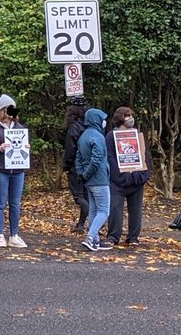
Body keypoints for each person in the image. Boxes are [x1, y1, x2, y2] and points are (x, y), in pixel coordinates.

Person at [0, 94, 27, 249]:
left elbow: (23, 146)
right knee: (0, 204)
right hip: (0, 170)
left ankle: (14, 235)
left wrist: (26, 148)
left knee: (15, 204)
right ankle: (0, 235)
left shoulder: (19, 128)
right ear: (3, 110)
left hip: (18, 170)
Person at [105, 106, 151, 248]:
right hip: (118, 181)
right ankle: (113, 236)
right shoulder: (111, 136)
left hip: (137, 180)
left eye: (131, 115)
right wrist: (120, 177)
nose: (130, 118)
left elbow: (145, 156)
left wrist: (142, 175)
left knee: (136, 210)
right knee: (115, 209)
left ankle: (133, 237)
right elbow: (110, 158)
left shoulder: (137, 135)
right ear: (120, 119)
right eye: (127, 116)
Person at [75, 107, 111, 251]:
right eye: (102, 119)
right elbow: (97, 159)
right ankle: (90, 238)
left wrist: (82, 174)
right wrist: (87, 174)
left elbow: (78, 157)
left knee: (94, 210)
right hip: (99, 179)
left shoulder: (83, 136)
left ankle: (95, 240)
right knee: (104, 211)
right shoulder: (98, 136)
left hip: (89, 181)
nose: (104, 122)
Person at [62, 97, 89, 232]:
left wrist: (66, 165)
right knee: (86, 194)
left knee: (79, 196)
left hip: (76, 165)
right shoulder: (90, 126)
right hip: (88, 165)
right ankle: (82, 223)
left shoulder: (74, 127)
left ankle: (83, 223)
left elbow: (70, 148)